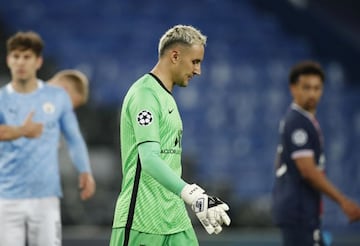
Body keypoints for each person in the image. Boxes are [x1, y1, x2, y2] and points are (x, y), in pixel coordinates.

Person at [109, 25, 231, 246]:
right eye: (195, 62)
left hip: (175, 219)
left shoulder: (167, 98)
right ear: (175, 55)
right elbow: (149, 160)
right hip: (142, 221)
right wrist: (194, 195)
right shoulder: (145, 95)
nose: (198, 71)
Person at [0, 31, 96, 246]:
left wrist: (85, 170)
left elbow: (74, 137)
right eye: (16, 56)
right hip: (8, 196)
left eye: (27, 57)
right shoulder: (4, 98)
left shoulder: (56, 103)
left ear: (38, 61)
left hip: (45, 197)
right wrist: (21, 131)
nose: (21, 62)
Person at [272, 60, 360, 246]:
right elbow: (308, 170)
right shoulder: (298, 122)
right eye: (306, 87)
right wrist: (342, 201)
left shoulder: (298, 119)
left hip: (301, 211)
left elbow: (279, 161)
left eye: (317, 88)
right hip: (299, 212)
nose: (312, 93)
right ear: (293, 89)